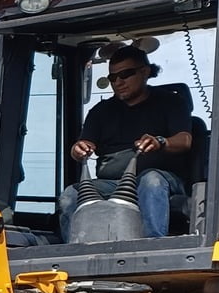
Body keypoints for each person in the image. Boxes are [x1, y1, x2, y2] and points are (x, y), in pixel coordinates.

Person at [60, 45, 198, 240]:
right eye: (113, 78)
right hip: (112, 184)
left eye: (125, 74)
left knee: (151, 180)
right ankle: (73, 250)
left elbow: (185, 140)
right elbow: (83, 144)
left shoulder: (171, 103)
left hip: (162, 180)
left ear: (145, 72)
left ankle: (153, 245)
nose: (118, 82)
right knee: (69, 195)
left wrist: (160, 142)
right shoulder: (101, 112)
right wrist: (78, 149)